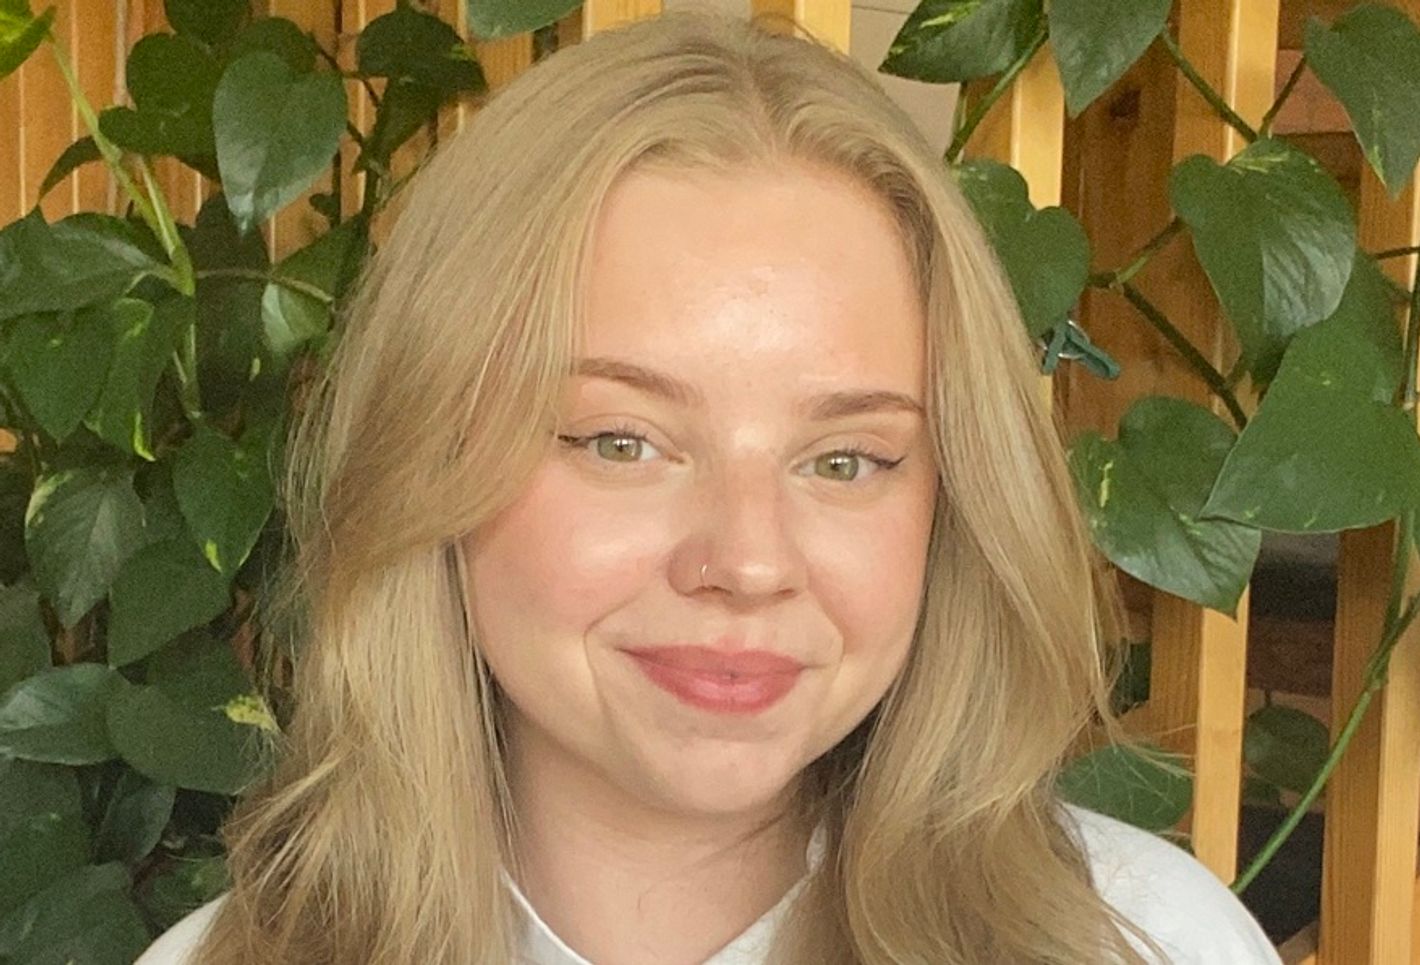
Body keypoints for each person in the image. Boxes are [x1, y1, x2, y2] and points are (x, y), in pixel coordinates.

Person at [136, 9, 1284, 964]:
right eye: (620, 440)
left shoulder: (1148, 942)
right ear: (426, 458)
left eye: (845, 460)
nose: (745, 560)